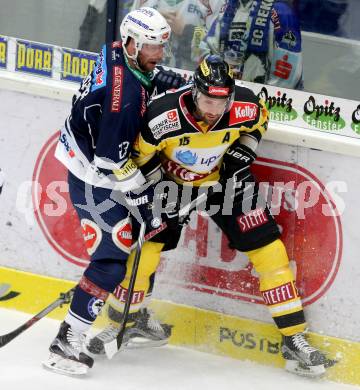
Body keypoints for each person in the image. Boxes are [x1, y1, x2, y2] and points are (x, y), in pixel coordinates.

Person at [97, 55, 336, 377]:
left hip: (228, 182)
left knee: (271, 253)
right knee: (146, 253)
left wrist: (246, 149)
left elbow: (260, 121)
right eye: (209, 100)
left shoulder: (244, 106)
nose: (214, 109)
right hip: (172, 185)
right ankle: (127, 323)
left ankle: (294, 340)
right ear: (195, 92)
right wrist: (167, 186)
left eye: (222, 102)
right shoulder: (162, 116)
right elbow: (140, 158)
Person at [43, 7, 186, 376]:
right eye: (153, 47)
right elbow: (111, 161)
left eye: (160, 47)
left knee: (147, 235)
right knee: (112, 256)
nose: (159, 55)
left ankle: (131, 315)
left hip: (95, 154)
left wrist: (155, 81)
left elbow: (129, 82)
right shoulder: (123, 99)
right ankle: (66, 342)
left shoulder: (115, 50)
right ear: (133, 42)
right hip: (95, 174)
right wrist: (143, 202)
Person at [197, 0, 303, 89]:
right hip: (223, 96)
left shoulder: (282, 13)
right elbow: (207, 48)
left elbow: (287, 77)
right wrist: (218, 81)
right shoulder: (228, 8)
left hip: (262, 102)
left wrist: (257, 99)